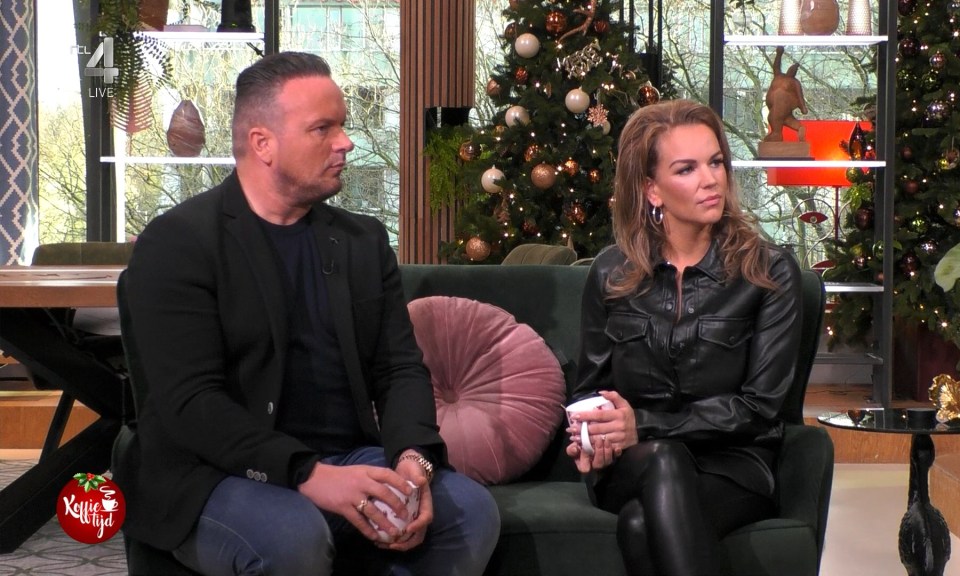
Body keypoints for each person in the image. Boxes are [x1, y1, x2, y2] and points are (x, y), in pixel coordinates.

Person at [118, 51, 500, 576]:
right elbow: (191, 404)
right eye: (323, 128)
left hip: (349, 458)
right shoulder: (178, 243)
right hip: (216, 473)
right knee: (293, 537)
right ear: (263, 143)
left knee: (470, 514)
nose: (345, 142)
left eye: (342, 125)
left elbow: (399, 369)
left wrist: (414, 460)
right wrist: (308, 475)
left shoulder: (363, 241)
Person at [565, 99, 803, 576]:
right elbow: (589, 390)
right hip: (634, 462)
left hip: (733, 464)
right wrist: (594, 436)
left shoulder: (768, 272)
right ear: (651, 189)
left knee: (639, 525)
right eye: (687, 169)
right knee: (664, 459)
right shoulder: (611, 273)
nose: (711, 179)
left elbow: (759, 407)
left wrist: (643, 424)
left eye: (715, 162)